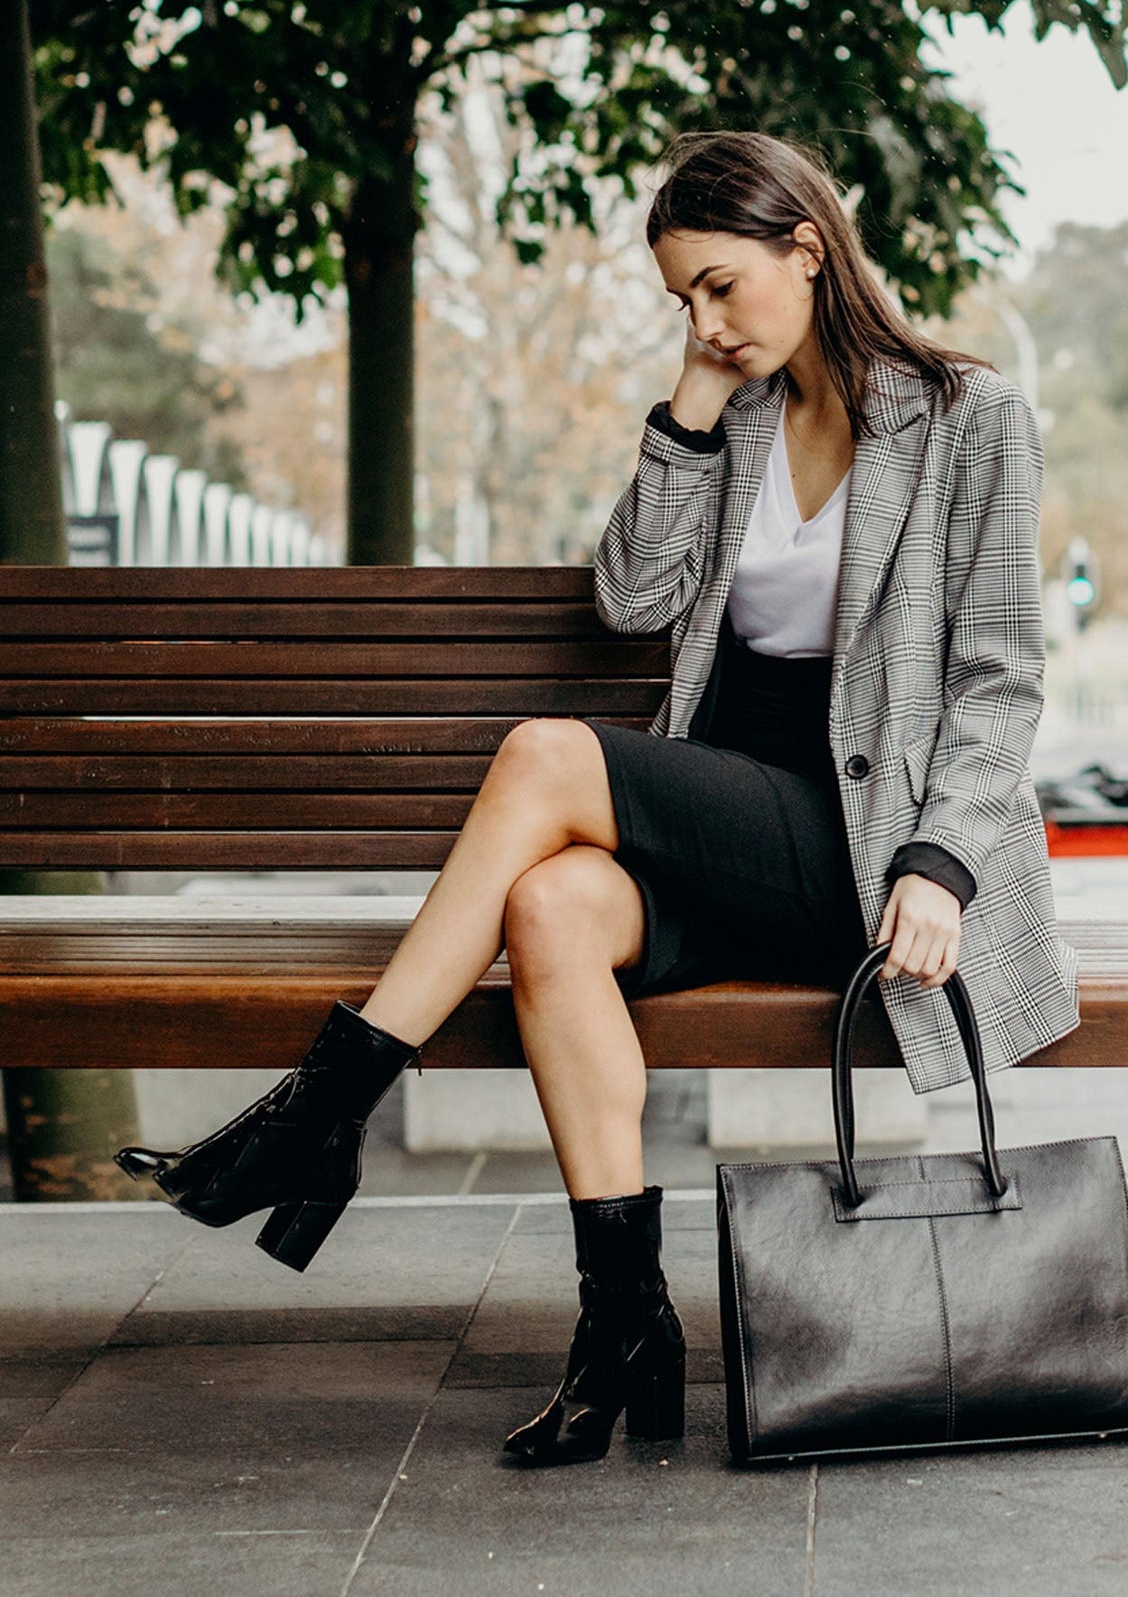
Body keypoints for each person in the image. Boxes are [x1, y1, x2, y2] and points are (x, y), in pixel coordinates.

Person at [114, 129, 1079, 1466]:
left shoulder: (968, 415)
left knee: (542, 754)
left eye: (719, 286)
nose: (703, 318)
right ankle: (621, 1321)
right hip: (721, 834)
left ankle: (323, 1109)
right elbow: (629, 597)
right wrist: (685, 406)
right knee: (552, 903)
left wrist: (940, 860)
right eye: (680, 297)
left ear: (806, 250)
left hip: (857, 850)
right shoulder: (730, 420)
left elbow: (1000, 677)